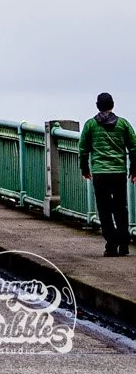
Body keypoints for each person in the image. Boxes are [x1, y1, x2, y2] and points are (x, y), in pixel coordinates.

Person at [79, 92, 136, 256]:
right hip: (118, 172)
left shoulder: (90, 125)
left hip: (100, 173)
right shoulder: (123, 124)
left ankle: (111, 245)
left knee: (104, 210)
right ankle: (124, 244)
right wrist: (134, 170)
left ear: (97, 106)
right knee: (121, 208)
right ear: (113, 105)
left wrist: (85, 169)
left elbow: (83, 149)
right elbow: (133, 147)